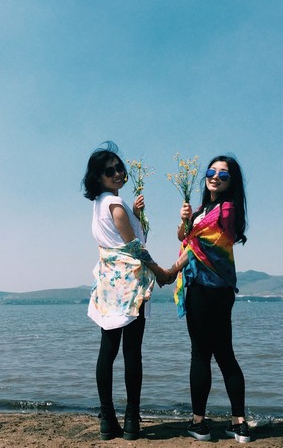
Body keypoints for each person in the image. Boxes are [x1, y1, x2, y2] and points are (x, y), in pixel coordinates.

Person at [82, 141, 176, 441]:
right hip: (131, 285)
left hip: (109, 286)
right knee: (132, 351)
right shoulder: (115, 204)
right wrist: (161, 272)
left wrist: (137, 214)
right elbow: (135, 247)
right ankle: (132, 419)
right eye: (110, 171)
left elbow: (122, 239)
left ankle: (108, 419)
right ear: (98, 177)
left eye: (120, 168)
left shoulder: (100, 205)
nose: (118, 174)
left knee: (107, 350)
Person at [168, 155, 251, 443]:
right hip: (215, 288)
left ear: (231, 182)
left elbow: (196, 246)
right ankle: (239, 423)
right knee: (224, 354)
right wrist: (185, 220)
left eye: (223, 175)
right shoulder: (204, 209)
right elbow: (184, 237)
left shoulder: (226, 210)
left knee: (202, 354)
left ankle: (199, 423)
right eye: (211, 171)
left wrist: (170, 271)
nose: (215, 177)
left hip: (207, 289)